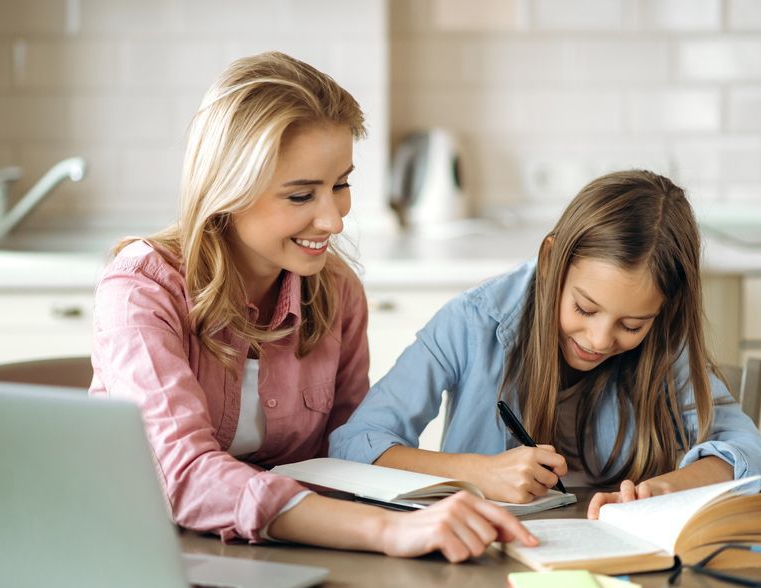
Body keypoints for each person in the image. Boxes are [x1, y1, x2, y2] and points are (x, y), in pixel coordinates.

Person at [89, 51, 535, 562]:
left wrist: (454, 495)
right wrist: (385, 531)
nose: (334, 220)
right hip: (142, 556)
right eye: (301, 196)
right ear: (226, 191)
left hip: (288, 554)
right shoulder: (142, 290)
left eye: (341, 184)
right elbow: (184, 475)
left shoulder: (335, 290)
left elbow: (345, 458)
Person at [329, 170, 761, 518]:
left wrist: (670, 487)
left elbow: (751, 451)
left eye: (632, 325)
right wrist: (479, 473)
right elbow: (354, 444)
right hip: (485, 564)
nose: (600, 340)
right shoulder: (474, 322)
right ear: (550, 260)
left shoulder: (665, 343)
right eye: (584, 309)